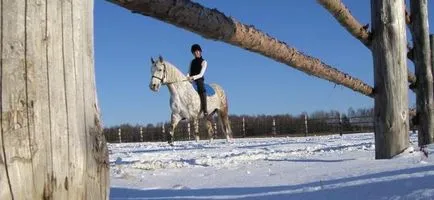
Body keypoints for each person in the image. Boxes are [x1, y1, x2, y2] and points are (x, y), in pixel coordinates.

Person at [187, 44, 208, 117]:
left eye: (197, 51)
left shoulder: (204, 62)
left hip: (199, 80)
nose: (196, 53)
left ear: (200, 51)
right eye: (194, 52)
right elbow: (188, 72)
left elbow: (201, 74)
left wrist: (193, 77)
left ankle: (205, 109)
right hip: (191, 79)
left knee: (201, 87)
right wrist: (187, 77)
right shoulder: (191, 62)